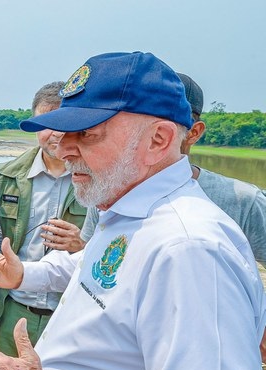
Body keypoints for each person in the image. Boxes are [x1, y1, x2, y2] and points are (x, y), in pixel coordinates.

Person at [0, 52, 266, 370]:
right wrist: (24, 275)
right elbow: (97, 273)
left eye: (87, 133)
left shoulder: (189, 249)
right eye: (64, 133)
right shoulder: (126, 211)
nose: (65, 150)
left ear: (159, 139)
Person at [0, 81, 87, 370]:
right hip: (16, 310)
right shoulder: (10, 174)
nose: (53, 133)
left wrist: (83, 245)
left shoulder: (96, 177)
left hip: (70, 315)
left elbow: (118, 247)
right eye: (44, 123)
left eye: (62, 121)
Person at [79, 72, 266, 266]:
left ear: (194, 133)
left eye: (160, 126)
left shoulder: (243, 201)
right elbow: (90, 259)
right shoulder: (110, 191)